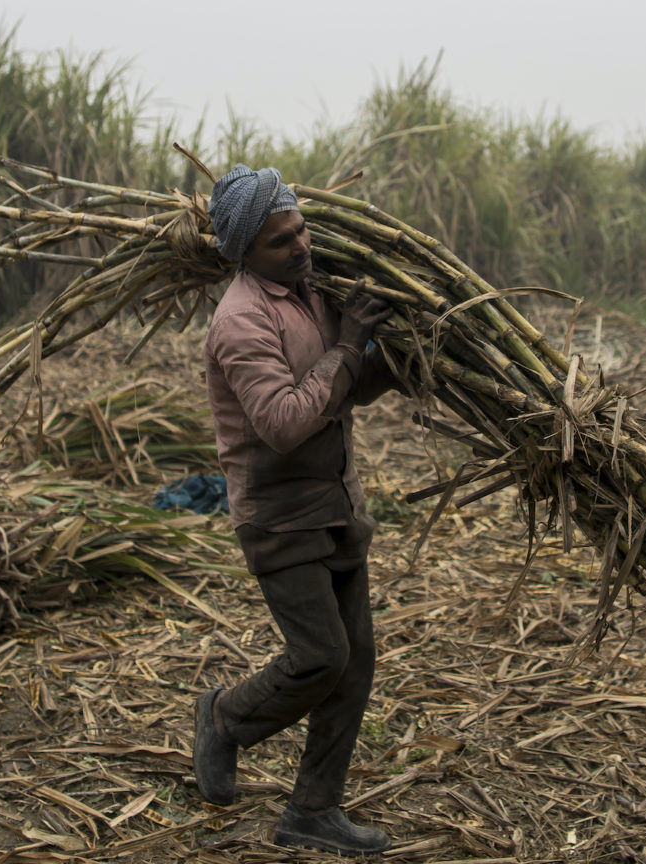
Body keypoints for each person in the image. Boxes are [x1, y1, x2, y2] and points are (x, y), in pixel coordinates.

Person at [194, 164, 398, 856]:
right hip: (280, 517)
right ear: (245, 252)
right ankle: (224, 718)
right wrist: (347, 347)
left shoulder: (312, 292)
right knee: (320, 657)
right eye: (282, 241)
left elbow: (341, 392)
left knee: (357, 661)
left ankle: (312, 810)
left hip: (336, 501)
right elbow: (283, 421)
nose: (301, 245)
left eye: (301, 229)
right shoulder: (240, 320)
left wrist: (394, 358)